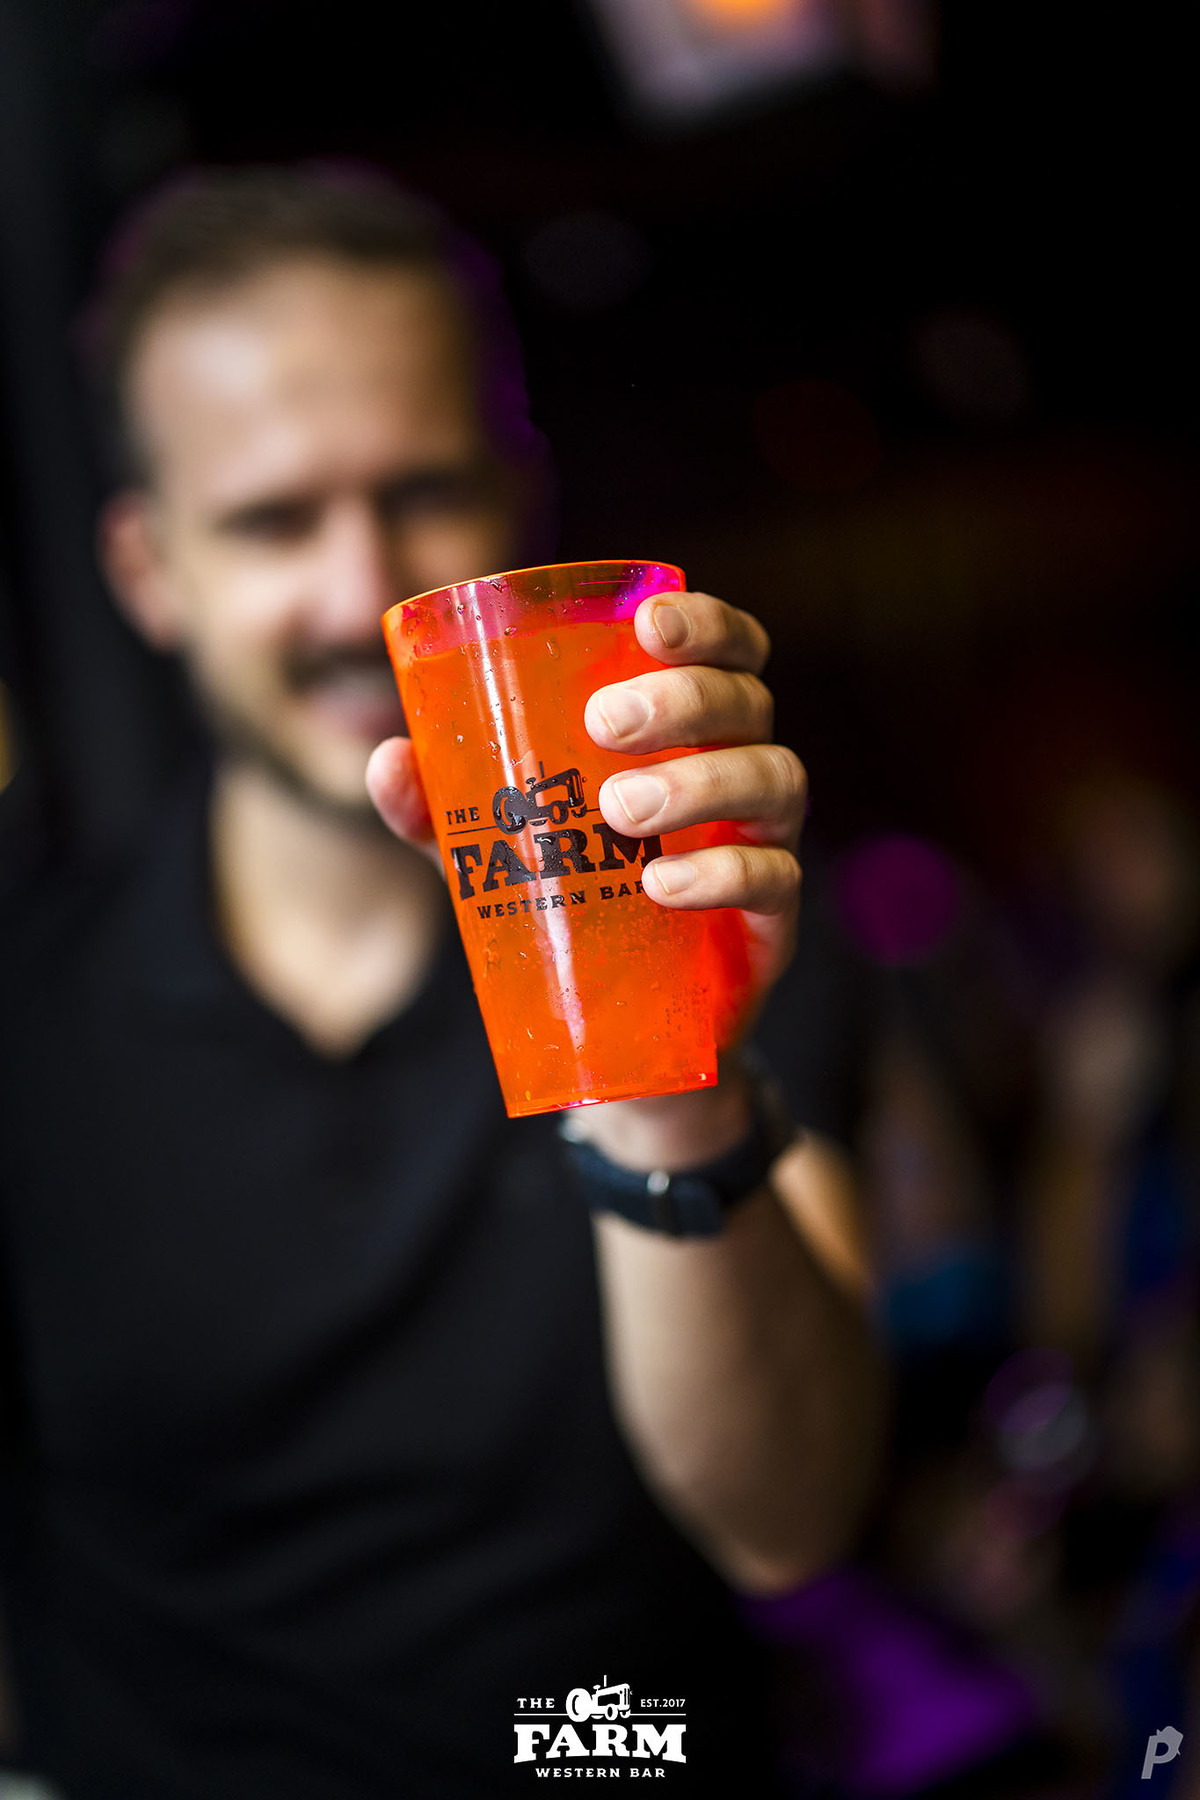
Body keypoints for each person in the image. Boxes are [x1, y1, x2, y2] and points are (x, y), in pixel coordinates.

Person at [0, 166, 880, 1798]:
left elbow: (787, 1521)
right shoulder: (26, 1006)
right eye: (273, 521)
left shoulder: (700, 904)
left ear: (519, 503)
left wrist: (667, 1088)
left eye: (422, 491)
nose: (362, 593)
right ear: (146, 570)